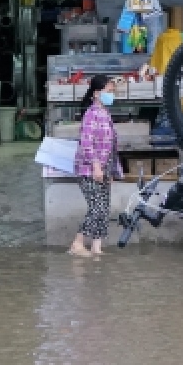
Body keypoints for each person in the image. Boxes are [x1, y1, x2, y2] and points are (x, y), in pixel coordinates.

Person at [69, 75, 122, 258]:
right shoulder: (91, 114)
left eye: (112, 91)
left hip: (104, 168)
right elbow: (86, 143)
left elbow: (112, 146)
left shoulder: (105, 113)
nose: (112, 95)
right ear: (97, 93)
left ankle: (96, 247)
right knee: (96, 208)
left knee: (104, 207)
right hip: (89, 169)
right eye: (109, 91)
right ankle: (77, 243)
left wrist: (112, 170)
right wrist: (96, 166)